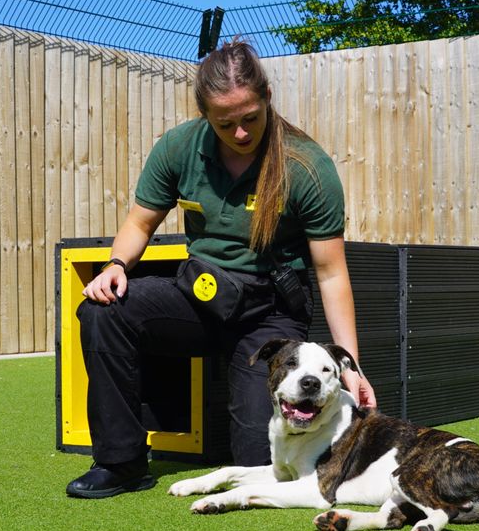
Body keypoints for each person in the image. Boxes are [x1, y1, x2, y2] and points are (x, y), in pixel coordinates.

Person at [66, 39, 376, 499]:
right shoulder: (178, 147)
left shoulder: (307, 167)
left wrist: (351, 367)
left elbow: (331, 274)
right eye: (225, 123)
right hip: (201, 296)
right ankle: (121, 462)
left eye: (250, 117)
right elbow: (139, 222)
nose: (241, 133)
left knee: (258, 462)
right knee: (103, 310)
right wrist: (116, 264)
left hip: (269, 316)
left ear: (267, 97)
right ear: (205, 114)